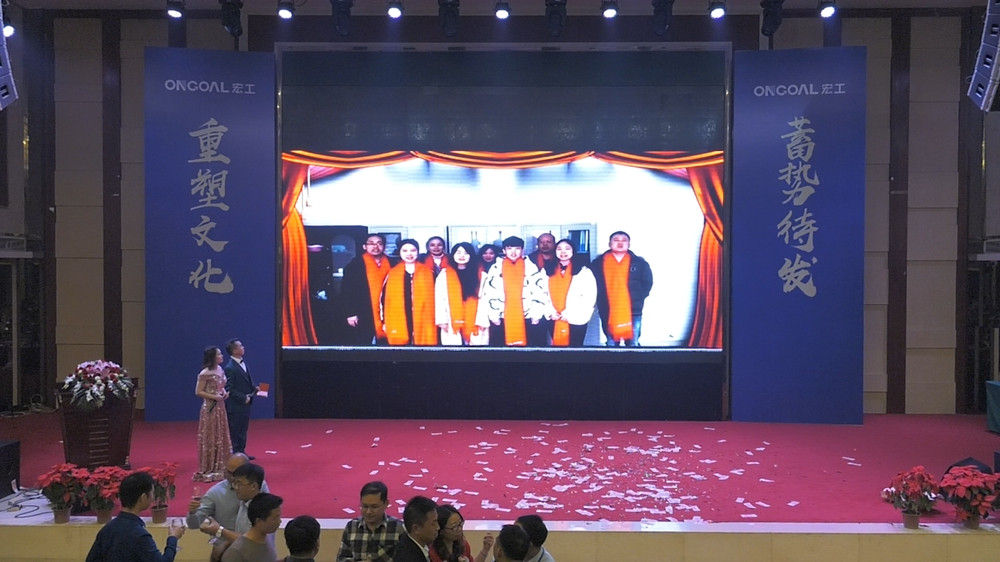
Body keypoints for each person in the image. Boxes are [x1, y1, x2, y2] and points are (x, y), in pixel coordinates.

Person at [86, 471, 186, 562]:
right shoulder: (140, 535)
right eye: (152, 493)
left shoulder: (107, 529)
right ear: (143, 498)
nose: (153, 498)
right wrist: (173, 538)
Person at [477, 236, 551, 347]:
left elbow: (539, 292)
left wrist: (536, 314)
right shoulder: (496, 268)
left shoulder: (532, 267)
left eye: (517, 248)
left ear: (522, 250)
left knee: (526, 350)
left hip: (526, 316)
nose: (513, 252)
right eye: (509, 248)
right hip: (501, 317)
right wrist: (493, 315)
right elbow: (489, 293)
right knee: (502, 350)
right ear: (504, 250)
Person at [194, 461, 273, 557]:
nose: (235, 488)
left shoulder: (262, 510)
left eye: (239, 484)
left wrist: (219, 530)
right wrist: (224, 546)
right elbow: (241, 534)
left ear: (253, 486)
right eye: (235, 483)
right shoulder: (244, 502)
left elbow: (251, 543)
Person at [590, 231, 653, 346]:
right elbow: (592, 285)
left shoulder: (640, 263)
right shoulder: (597, 264)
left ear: (629, 244)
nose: (620, 243)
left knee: (633, 343)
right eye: (616, 240)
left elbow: (647, 283)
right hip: (608, 309)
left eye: (624, 240)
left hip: (633, 310)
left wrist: (637, 298)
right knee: (611, 343)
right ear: (609, 244)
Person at [381, 239, 438, 346]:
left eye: (413, 250)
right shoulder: (392, 273)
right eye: (405, 251)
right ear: (399, 252)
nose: (409, 254)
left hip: (424, 317)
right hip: (400, 316)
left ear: (418, 252)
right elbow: (384, 300)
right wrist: (384, 321)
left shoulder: (429, 272)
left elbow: (438, 298)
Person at [340, 233, 394, 345]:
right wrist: (351, 313)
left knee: (388, 343)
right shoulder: (355, 265)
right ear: (364, 246)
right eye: (371, 243)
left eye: (379, 243)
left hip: (388, 310)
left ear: (384, 246)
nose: (375, 246)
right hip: (363, 310)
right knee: (364, 342)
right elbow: (347, 291)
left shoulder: (393, 263)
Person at [543, 239, 597, 347]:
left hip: (576, 317)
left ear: (573, 251)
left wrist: (569, 313)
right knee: (556, 349)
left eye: (567, 249)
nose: (563, 252)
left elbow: (589, 297)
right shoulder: (547, 270)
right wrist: (550, 311)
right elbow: (542, 293)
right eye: (559, 249)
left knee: (575, 349)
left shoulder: (584, 271)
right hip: (554, 317)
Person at [336, 481, 405, 562]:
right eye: (365, 506)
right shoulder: (351, 527)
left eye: (374, 507)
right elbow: (341, 559)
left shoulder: (398, 528)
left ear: (386, 503)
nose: (368, 512)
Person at [435, 242, 489, 346]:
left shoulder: (481, 275)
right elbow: (439, 299)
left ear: (471, 255)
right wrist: (442, 320)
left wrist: (483, 320)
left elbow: (485, 300)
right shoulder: (444, 275)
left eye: (466, 253)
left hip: (475, 319)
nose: (462, 256)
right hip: (451, 318)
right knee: (454, 350)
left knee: (477, 350)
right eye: (458, 252)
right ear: (453, 255)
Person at [194, 346, 233, 482]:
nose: (222, 356)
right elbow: (198, 391)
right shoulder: (205, 373)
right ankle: (209, 466)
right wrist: (214, 397)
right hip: (210, 408)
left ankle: (221, 463)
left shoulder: (220, 369)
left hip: (220, 408)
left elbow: (220, 387)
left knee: (220, 434)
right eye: (219, 354)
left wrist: (223, 393)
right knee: (211, 435)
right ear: (213, 357)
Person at [220, 492, 283, 562]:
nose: (279, 521)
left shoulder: (267, 539)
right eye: (275, 518)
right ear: (258, 521)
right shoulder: (236, 553)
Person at [224, 338, 258, 458]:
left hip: (245, 404)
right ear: (234, 350)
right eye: (240, 346)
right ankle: (236, 454)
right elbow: (229, 388)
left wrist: (255, 388)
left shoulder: (243, 364)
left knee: (243, 429)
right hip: (236, 405)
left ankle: (242, 452)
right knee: (236, 430)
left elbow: (246, 381)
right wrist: (243, 397)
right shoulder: (230, 367)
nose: (243, 347)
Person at [394, 496, 440, 562]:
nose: (438, 527)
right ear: (416, 528)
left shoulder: (408, 542)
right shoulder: (408, 558)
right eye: (433, 523)